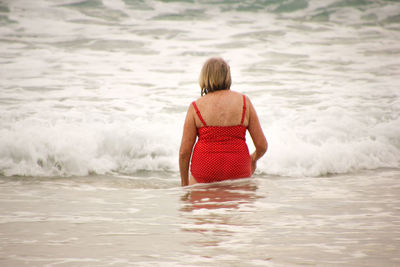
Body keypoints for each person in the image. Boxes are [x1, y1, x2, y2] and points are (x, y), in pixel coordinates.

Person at [179, 57, 267, 186]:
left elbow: (184, 153)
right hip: (239, 169)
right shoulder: (244, 102)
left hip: (205, 171)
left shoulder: (196, 106)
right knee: (238, 204)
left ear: (204, 77)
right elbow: (262, 146)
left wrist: (184, 185)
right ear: (227, 77)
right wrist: (252, 159)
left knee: (202, 204)